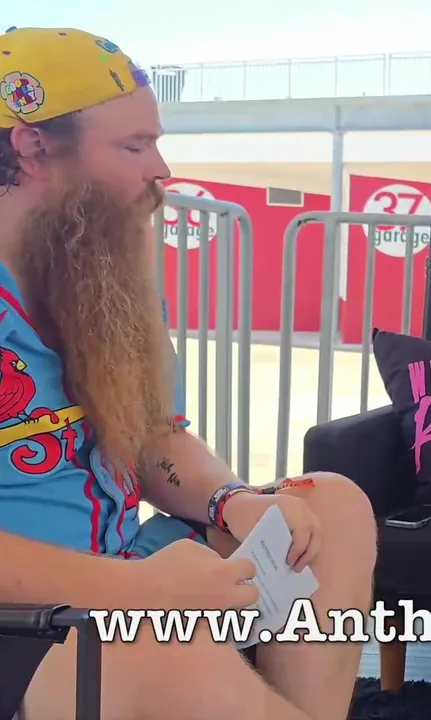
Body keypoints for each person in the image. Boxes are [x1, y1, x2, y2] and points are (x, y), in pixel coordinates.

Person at [0, 27, 377, 720]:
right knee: (165, 650)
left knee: (330, 507)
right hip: (22, 621)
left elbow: (154, 438)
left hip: (123, 573)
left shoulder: (105, 274)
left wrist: (231, 501)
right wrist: (138, 593)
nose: (161, 168)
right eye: (134, 146)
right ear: (33, 148)